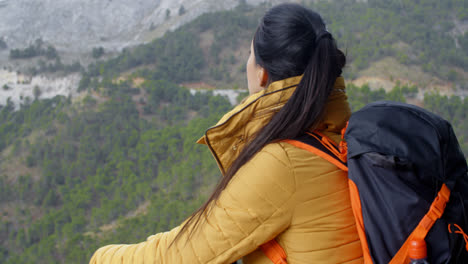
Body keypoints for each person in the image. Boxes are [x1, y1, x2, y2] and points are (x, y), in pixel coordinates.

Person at [90, 3, 363, 264]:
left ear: (263, 75)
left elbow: (178, 256)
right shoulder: (344, 135)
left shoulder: (283, 162)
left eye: (249, 54)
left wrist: (100, 257)